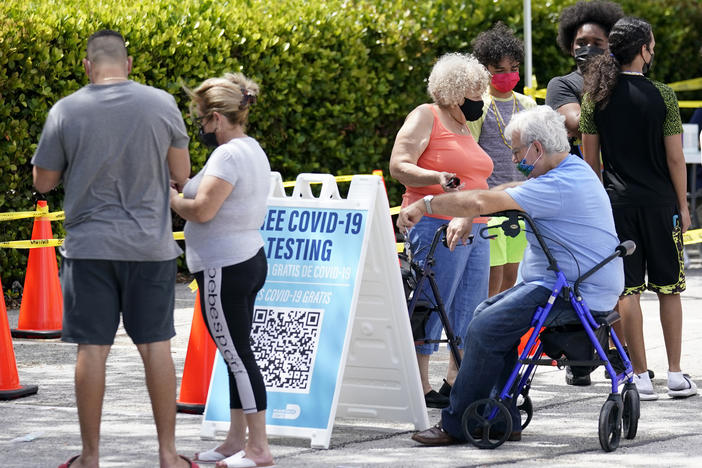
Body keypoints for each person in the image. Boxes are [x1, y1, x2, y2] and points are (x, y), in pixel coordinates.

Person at [404, 105, 624, 446]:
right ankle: (498, 412)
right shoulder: (571, 171)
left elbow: (482, 199)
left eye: (518, 151)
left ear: (537, 148)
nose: (515, 157)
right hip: (574, 284)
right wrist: (468, 211)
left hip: (571, 291)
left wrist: (426, 205)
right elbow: (507, 190)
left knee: (485, 326)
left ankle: (459, 423)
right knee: (486, 315)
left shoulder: (556, 186)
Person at [31, 30, 196, 468]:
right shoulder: (161, 103)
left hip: (88, 249)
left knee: (92, 348)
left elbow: (42, 182)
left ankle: (90, 457)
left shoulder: (65, 109)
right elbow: (182, 172)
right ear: (128, 65)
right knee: (155, 346)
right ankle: (167, 455)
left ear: (87, 66)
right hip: (150, 248)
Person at [580, 17, 698, 401]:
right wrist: (683, 205)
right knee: (669, 288)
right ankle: (677, 374)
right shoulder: (663, 95)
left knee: (627, 290)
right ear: (644, 50)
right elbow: (676, 158)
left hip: (616, 205)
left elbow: (590, 158)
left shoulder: (595, 95)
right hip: (661, 205)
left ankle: (641, 375)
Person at [169, 73, 275, 468]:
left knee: (238, 355)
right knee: (236, 355)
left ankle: (259, 448)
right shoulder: (250, 149)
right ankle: (236, 440)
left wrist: (174, 199)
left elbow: (203, 210)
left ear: (216, 117)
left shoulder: (228, 155)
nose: (200, 125)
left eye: (201, 117)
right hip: (243, 260)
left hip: (224, 267)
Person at [389, 52, 493, 409]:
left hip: (477, 227)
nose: (480, 101)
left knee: (470, 308)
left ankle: (454, 380)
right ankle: (419, 385)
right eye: (474, 94)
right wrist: (437, 179)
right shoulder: (426, 116)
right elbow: (399, 165)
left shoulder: (465, 125)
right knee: (433, 303)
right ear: (453, 92)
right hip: (434, 224)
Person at [468, 22, 536, 297]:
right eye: (500, 70)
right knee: (492, 274)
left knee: (512, 272)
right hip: (490, 203)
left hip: (521, 203)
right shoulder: (479, 105)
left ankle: (498, 327)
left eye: (514, 69)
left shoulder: (528, 105)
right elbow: (469, 151)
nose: (508, 75)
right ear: (485, 70)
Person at [546, 0, 624, 157]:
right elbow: (578, 126)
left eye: (597, 43)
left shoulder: (624, 81)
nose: (588, 48)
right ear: (570, 48)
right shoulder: (561, 85)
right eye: (581, 43)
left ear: (610, 47)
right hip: (579, 176)